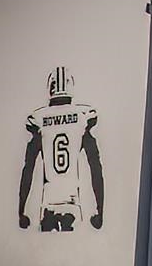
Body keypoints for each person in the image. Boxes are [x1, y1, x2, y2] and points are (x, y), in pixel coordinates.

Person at [18, 66, 104, 232]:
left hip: (48, 206)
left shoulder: (39, 119)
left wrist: (21, 211)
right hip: (72, 205)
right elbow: (95, 167)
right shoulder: (83, 116)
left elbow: (28, 168)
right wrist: (99, 211)